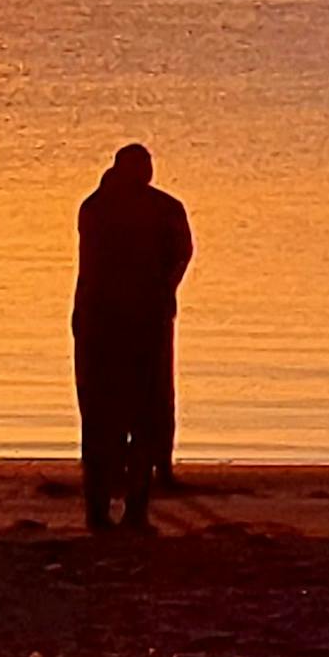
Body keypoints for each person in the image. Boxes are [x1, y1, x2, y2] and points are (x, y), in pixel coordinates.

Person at [72, 144, 193, 531]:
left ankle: (116, 511)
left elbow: (180, 254)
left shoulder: (97, 207)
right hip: (125, 324)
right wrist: (163, 290)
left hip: (110, 323)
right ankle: (120, 510)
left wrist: (163, 291)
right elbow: (181, 254)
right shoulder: (156, 209)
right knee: (129, 418)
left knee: (114, 420)